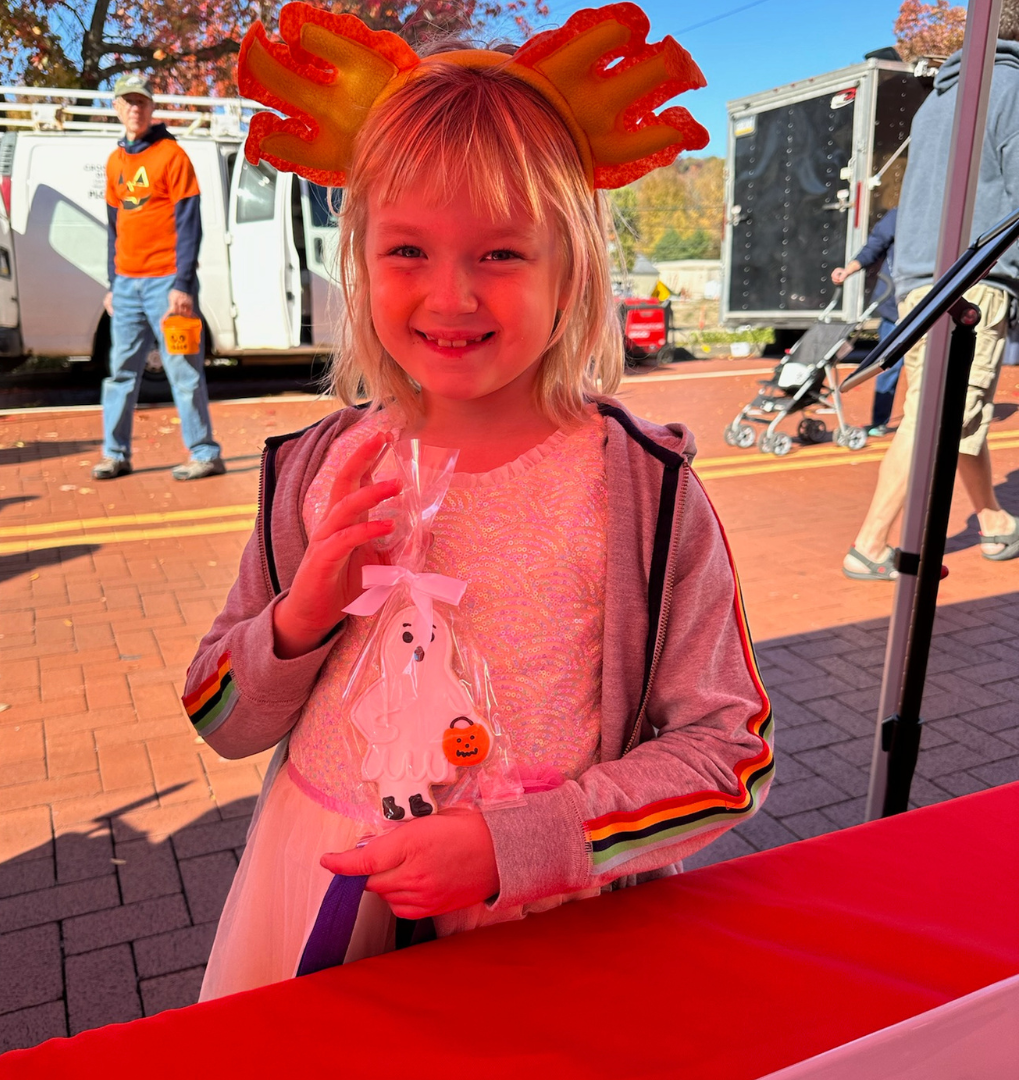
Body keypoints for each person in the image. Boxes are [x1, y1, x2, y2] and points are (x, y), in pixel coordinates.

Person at [184, 2, 773, 999]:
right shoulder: (315, 466)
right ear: (361, 262)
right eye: (408, 251)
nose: (451, 295)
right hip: (321, 887)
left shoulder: (643, 490)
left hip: (547, 917)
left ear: (571, 268)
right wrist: (299, 620)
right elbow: (220, 716)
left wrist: (521, 844)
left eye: (500, 253)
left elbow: (730, 753)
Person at [843, 5, 1019, 579]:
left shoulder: (939, 100)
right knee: (939, 418)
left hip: (922, 279)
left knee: (947, 409)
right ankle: (870, 545)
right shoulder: (1014, 87)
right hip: (978, 280)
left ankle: (993, 519)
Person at [94, 72, 225, 482]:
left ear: (152, 109)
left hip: (167, 285)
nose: (135, 108)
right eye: (127, 101)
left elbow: (190, 225)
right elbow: (114, 229)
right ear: (116, 108)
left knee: (183, 371)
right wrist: (112, 283)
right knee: (120, 373)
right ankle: (115, 454)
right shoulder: (115, 162)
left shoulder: (172, 156)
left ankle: (205, 452)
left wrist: (183, 285)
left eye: (142, 102)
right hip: (128, 286)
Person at [830, 207, 904, 436]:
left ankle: (934, 420)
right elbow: (873, 247)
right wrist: (847, 271)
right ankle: (879, 421)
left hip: (929, 302)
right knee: (889, 365)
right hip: (894, 303)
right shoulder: (898, 215)